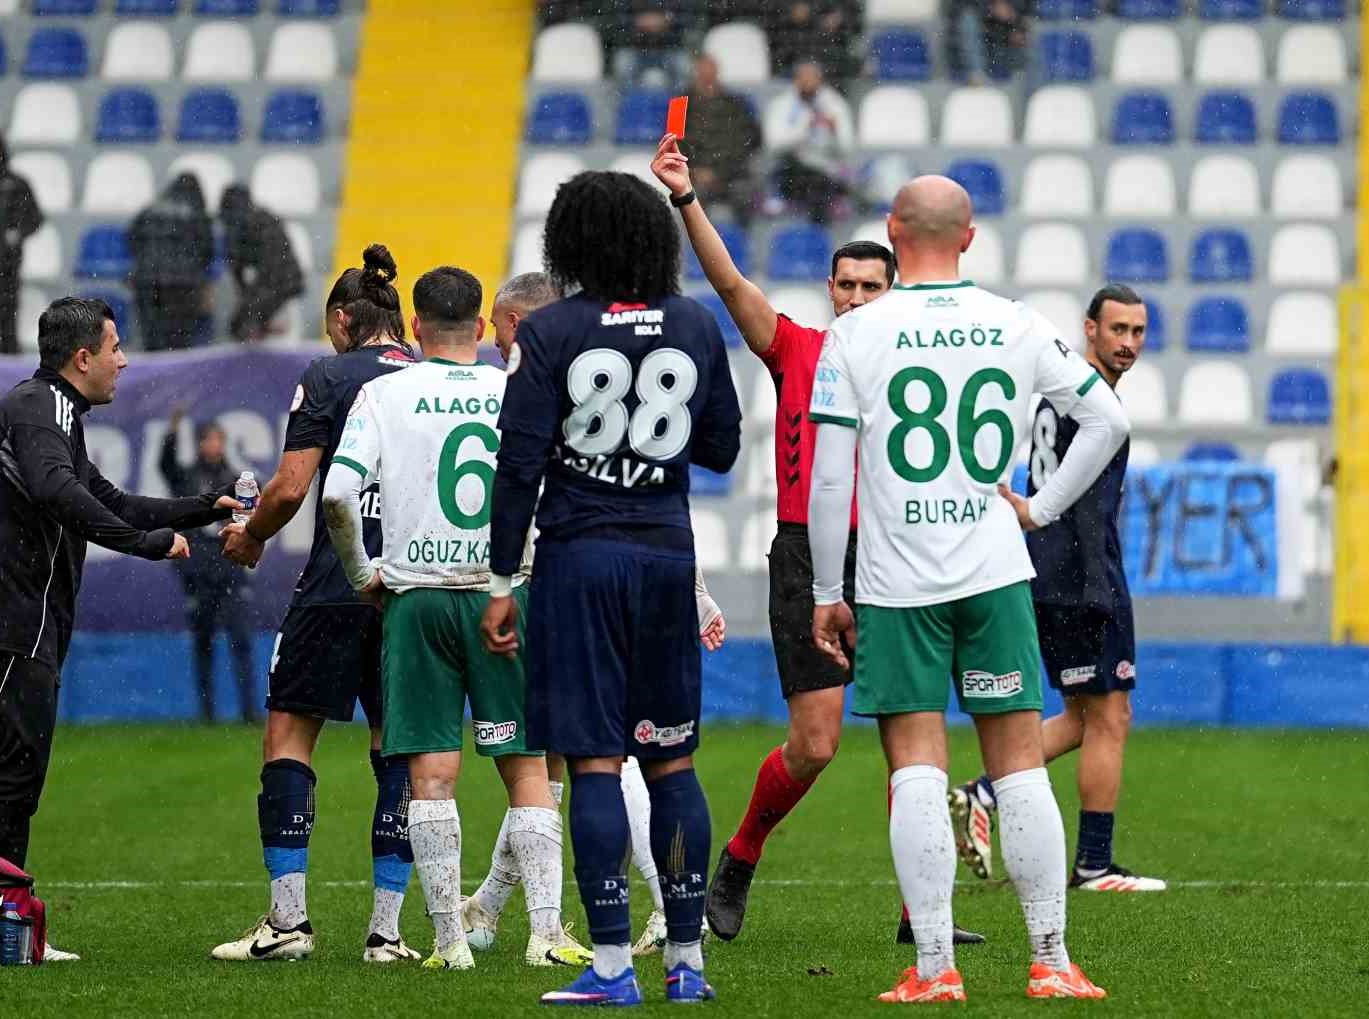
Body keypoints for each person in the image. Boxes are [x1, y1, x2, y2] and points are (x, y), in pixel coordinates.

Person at [650, 133, 984, 948]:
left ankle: (923, 917)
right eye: (848, 284)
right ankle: (740, 854)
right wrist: (686, 197)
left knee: (913, 739)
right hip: (808, 556)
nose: (860, 296)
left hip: (901, 552)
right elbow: (728, 283)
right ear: (830, 290)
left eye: (874, 284)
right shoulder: (798, 348)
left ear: (895, 286)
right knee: (818, 742)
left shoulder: (917, 353)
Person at [807, 176, 1128, 1002]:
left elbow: (830, 476)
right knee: (1019, 767)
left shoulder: (856, 334)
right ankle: (1052, 962)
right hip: (994, 573)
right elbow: (1110, 422)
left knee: (916, 764)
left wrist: (824, 590)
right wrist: (1042, 509)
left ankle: (933, 967)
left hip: (898, 582)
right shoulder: (1016, 322)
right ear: (971, 237)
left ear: (891, 231)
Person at [483, 170, 740, 1005]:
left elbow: (518, 463)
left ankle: (608, 967)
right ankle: (688, 963)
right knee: (672, 762)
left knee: (593, 763)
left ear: (572, 242)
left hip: (580, 558)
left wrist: (496, 580)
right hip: (666, 553)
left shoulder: (551, 329)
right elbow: (724, 447)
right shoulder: (697, 323)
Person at [321, 266, 592, 972]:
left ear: (414, 329)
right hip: (503, 592)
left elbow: (338, 493)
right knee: (528, 767)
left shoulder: (383, 392)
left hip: (418, 600)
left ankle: (447, 942)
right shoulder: (522, 390)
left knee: (431, 775)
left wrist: (362, 573)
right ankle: (545, 933)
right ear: (480, 328)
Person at [0, 296, 237, 961]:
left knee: (15, 772)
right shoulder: (44, 409)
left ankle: (1, 932)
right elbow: (60, 495)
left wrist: (204, 507)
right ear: (83, 357)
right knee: (11, 773)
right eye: (115, 346)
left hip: (17, 624)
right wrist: (149, 544)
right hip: (9, 623)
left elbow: (110, 499)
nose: (124, 359)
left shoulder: (55, 414)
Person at [211, 245, 423, 965]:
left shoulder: (329, 375)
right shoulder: (431, 377)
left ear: (342, 318)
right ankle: (387, 932)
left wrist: (250, 535)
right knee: (399, 748)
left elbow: (293, 485)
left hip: (339, 584)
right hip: (415, 590)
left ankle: (290, 923)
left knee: (289, 737)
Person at [950, 285, 1165, 894]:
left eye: (1138, 331)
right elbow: (1088, 512)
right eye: (1117, 329)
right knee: (1111, 716)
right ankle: (1094, 864)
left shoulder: (1060, 392)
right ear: (1089, 329)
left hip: (1051, 571)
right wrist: (1100, 589)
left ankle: (981, 794)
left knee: (1083, 715)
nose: (1128, 343)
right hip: (1079, 577)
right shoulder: (1087, 401)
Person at [159, 408, 257, 723]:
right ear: (200, 444)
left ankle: (248, 711)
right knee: (204, 642)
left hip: (230, 569)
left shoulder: (235, 479)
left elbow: (253, 516)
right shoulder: (188, 478)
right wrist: (173, 431)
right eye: (209, 440)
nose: (214, 446)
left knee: (240, 640)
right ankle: (207, 713)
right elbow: (167, 467)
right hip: (199, 573)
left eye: (219, 440)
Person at [129, 173, 214, 351]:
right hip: (182, 285)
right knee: (178, 343)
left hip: (147, 281)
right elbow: (206, 251)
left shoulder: (150, 209)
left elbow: (132, 239)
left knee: (152, 339)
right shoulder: (196, 213)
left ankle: (154, 375)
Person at [764, 61, 855, 226]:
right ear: (795, 80)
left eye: (812, 78)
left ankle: (817, 232)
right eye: (803, 78)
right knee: (802, 177)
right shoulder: (781, 105)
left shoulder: (835, 104)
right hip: (790, 170)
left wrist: (834, 131)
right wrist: (805, 127)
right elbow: (773, 145)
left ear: (820, 80)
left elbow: (847, 149)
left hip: (825, 171)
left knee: (823, 184)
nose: (808, 83)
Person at [0, 128, 43, 354]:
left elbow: (35, 218)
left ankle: (10, 384)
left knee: (7, 331)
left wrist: (18, 232)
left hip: (6, 270)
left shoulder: (16, 184)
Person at [218, 185, 306, 343]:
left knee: (239, 325)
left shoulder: (249, 225)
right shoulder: (261, 220)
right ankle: (262, 328)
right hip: (285, 281)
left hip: (282, 282)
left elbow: (270, 268)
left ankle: (260, 329)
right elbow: (238, 266)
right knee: (241, 323)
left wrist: (251, 302)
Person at [683, 54, 761, 228]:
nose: (706, 74)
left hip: (731, 174)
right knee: (691, 200)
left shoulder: (735, 104)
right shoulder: (679, 105)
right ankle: (697, 249)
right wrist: (694, 170)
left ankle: (740, 248)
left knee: (744, 193)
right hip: (694, 177)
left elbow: (746, 143)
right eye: (702, 69)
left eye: (711, 68)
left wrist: (718, 172)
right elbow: (672, 144)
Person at [604, 0, 701, 87]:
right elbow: (617, 17)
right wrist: (636, 22)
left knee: (684, 67)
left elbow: (689, 18)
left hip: (671, 47)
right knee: (622, 64)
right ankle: (633, 106)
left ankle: (677, 107)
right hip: (635, 48)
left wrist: (667, 20)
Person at [765, 2, 861, 82]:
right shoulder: (782, 26)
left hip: (821, 51)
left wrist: (838, 17)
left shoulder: (820, 24)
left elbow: (852, 13)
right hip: (789, 61)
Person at [946, 0, 1028, 83]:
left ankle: (1020, 76)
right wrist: (990, 8)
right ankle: (977, 76)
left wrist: (1016, 19)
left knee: (1031, 31)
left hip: (1004, 31)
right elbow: (958, 7)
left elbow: (1026, 7)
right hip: (975, 26)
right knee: (968, 22)